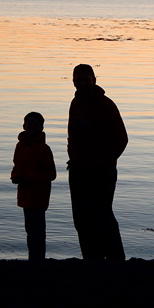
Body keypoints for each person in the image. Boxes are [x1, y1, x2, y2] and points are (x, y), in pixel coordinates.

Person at [67, 64, 128, 260]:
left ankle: (115, 258)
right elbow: (72, 135)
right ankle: (91, 258)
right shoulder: (74, 104)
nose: (82, 82)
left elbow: (122, 139)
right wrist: (73, 158)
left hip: (102, 171)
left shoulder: (106, 104)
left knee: (103, 214)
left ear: (94, 79)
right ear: (73, 81)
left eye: (86, 79)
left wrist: (105, 161)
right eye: (79, 79)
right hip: (78, 170)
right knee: (81, 218)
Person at [11, 111, 57, 262]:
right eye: (30, 123)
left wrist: (28, 177)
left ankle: (38, 260)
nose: (32, 126)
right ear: (24, 126)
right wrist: (15, 176)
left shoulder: (44, 149)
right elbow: (17, 165)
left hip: (39, 196)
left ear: (41, 128)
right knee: (30, 230)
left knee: (37, 231)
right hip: (25, 195)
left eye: (36, 124)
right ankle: (33, 259)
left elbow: (51, 174)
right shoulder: (20, 146)